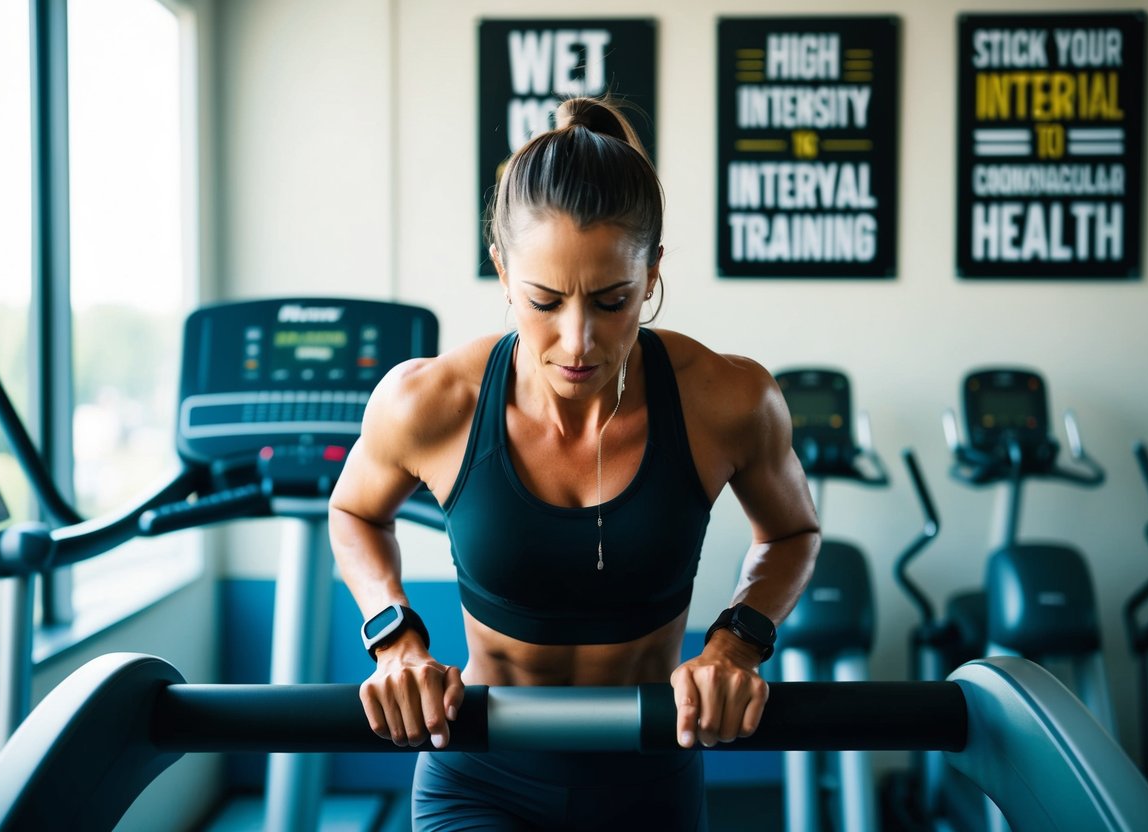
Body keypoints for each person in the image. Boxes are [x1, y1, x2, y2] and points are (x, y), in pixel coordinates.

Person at [328, 95, 820, 831]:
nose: (578, 340)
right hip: (481, 775)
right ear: (500, 270)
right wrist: (393, 639)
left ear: (652, 272)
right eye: (544, 301)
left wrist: (736, 645)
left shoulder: (728, 398)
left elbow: (793, 534)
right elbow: (354, 511)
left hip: (651, 775)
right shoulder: (430, 402)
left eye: (613, 301)